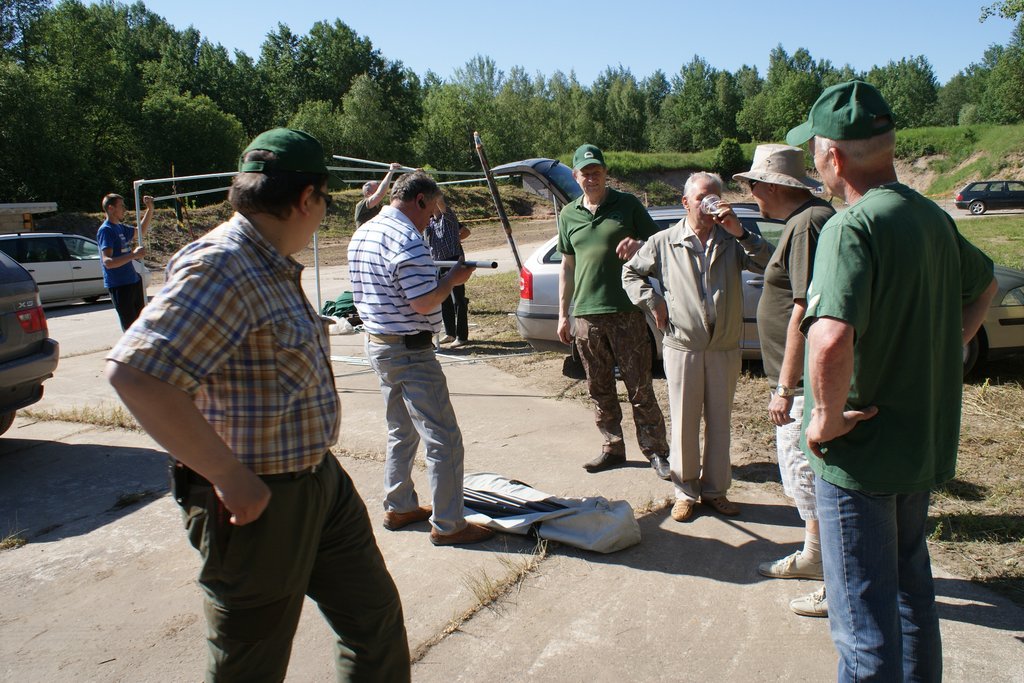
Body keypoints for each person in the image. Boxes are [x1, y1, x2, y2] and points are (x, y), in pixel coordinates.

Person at [105, 128, 410, 682]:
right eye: (325, 200)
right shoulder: (224, 264)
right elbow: (136, 374)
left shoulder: (270, 261)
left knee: (374, 623)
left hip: (319, 482)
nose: (324, 213)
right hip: (257, 503)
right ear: (306, 198)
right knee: (249, 666)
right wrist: (228, 476)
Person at [788, 80, 997, 680]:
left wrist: (824, 420)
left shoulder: (849, 228)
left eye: (814, 153)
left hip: (861, 453)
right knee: (911, 595)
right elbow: (983, 284)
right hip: (917, 443)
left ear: (833, 156)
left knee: (862, 622)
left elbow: (829, 337)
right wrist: (944, 348)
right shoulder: (929, 216)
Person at [348, 170, 494, 546]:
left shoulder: (364, 231)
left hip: (379, 344)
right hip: (410, 350)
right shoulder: (407, 238)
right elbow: (425, 302)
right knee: (443, 437)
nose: (431, 221)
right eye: (431, 212)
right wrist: (452, 281)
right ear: (420, 200)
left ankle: (399, 506)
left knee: (401, 429)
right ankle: (449, 524)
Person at [623, 172, 772, 521]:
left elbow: (770, 263)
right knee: (684, 422)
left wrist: (741, 232)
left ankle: (716, 491)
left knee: (720, 422)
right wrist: (652, 300)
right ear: (686, 202)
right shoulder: (664, 241)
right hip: (683, 345)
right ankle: (685, 492)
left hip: (724, 347)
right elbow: (630, 273)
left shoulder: (732, 239)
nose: (709, 203)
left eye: (715, 196)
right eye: (702, 197)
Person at [733, 145, 835, 617]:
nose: (751, 195)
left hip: (802, 385)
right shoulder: (803, 222)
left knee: (811, 477)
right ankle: (816, 558)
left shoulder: (808, 224)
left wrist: (786, 386)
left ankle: (835, 577)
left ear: (771, 186)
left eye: (752, 186)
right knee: (804, 477)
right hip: (799, 381)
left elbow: (804, 308)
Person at [558, 143, 671, 481]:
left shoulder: (628, 205)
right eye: (585, 173)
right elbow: (567, 266)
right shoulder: (568, 215)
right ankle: (612, 446)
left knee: (640, 387)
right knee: (599, 388)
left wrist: (639, 245)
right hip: (586, 317)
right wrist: (563, 314)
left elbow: (660, 245)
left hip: (626, 312)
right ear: (576, 176)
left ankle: (656, 451)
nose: (591, 177)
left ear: (605, 173)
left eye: (597, 171)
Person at [98, 192, 153, 331]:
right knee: (131, 329)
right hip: (120, 285)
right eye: (121, 206)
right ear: (111, 208)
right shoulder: (106, 230)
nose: (124, 209)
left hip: (133, 281)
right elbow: (108, 262)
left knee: (142, 325)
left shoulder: (119, 227)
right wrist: (133, 255)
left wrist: (150, 209)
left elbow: (140, 231)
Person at [425, 193, 472, 347]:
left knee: (458, 300)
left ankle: (462, 336)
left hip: (453, 261)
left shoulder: (448, 217)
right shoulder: (430, 222)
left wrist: (430, 189)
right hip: (439, 263)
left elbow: (440, 202)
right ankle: (450, 333)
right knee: (443, 299)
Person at [354, 162, 403, 227]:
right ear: (368, 193)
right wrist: (391, 171)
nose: (380, 190)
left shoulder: (380, 208)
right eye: (377, 189)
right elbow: (380, 194)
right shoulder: (362, 205)